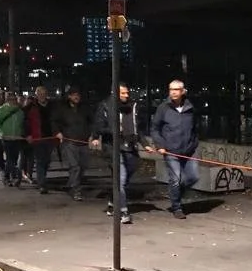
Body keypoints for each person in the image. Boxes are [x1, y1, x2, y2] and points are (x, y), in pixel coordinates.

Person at [92, 84, 154, 224]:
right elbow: (99, 125)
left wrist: (145, 144)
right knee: (121, 178)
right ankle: (123, 211)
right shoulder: (105, 106)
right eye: (123, 93)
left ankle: (113, 201)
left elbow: (137, 129)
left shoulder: (133, 107)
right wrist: (104, 134)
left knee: (125, 178)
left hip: (130, 147)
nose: (126, 95)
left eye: (127, 93)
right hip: (113, 147)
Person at [152, 79, 200, 219]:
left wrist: (194, 142)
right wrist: (160, 145)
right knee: (175, 179)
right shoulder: (163, 108)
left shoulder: (190, 108)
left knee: (193, 177)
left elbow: (196, 127)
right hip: (170, 150)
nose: (173, 92)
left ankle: (176, 194)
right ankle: (176, 207)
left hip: (189, 150)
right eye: (171, 89)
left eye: (176, 89)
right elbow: (155, 129)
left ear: (183, 91)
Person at [52, 86, 92, 201]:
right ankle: (76, 190)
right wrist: (58, 132)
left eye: (78, 95)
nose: (76, 97)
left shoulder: (85, 108)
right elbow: (54, 121)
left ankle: (71, 184)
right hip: (69, 141)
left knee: (83, 166)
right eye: (74, 95)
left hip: (83, 141)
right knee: (75, 167)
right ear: (69, 96)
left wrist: (92, 135)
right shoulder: (62, 109)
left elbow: (92, 121)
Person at [26, 86, 56, 193]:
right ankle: (42, 184)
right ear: (36, 95)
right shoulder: (31, 107)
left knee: (47, 160)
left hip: (50, 137)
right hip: (37, 137)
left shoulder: (52, 106)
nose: (42, 95)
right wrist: (28, 134)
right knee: (40, 160)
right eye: (40, 93)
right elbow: (26, 122)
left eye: (44, 93)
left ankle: (43, 178)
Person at [0, 92, 26, 187]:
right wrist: (1, 133)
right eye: (10, 99)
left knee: (14, 159)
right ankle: (9, 177)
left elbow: (22, 124)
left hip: (17, 138)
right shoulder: (2, 109)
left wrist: (22, 134)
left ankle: (10, 176)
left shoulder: (20, 111)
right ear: (7, 100)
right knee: (10, 159)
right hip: (6, 138)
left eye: (14, 99)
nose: (13, 101)